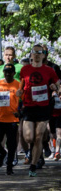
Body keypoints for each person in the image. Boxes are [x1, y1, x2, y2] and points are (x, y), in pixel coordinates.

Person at [17, 44, 60, 177]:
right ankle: (39, 147)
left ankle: (33, 165)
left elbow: (57, 82)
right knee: (29, 137)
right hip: (29, 106)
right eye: (34, 52)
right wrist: (19, 91)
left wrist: (54, 86)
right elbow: (22, 84)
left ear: (43, 55)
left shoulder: (49, 70)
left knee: (38, 136)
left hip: (43, 106)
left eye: (39, 52)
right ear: (31, 55)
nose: (36, 55)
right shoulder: (25, 69)